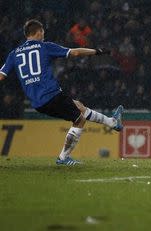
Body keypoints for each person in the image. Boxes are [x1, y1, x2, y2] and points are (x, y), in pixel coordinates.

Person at [0, 19, 123, 166]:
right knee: (79, 119)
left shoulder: (13, 54)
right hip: (51, 95)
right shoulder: (44, 47)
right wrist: (97, 51)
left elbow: (1, 75)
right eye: (43, 32)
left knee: (79, 106)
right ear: (38, 32)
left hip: (37, 102)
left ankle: (112, 122)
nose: (43, 35)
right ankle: (63, 158)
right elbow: (75, 52)